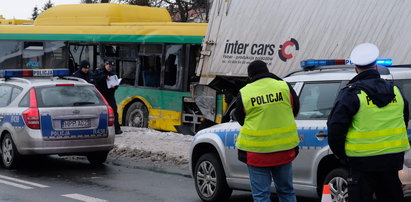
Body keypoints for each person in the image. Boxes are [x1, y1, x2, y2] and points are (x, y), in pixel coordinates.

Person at [327, 43, 410, 202]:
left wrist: (344, 156)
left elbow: (335, 129)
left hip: (362, 163)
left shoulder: (351, 94)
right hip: (392, 161)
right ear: (376, 67)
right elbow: (403, 120)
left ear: (356, 69)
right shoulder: (396, 92)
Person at [234, 60, 300, 202]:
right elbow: (296, 111)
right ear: (267, 71)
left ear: (250, 76)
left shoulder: (246, 92)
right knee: (287, 192)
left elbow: (240, 119)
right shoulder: (284, 87)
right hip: (284, 150)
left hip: (257, 153)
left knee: (261, 196)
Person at [93, 59, 123, 135]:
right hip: (101, 95)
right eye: (109, 66)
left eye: (111, 67)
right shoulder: (99, 71)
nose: (110, 68)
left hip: (110, 95)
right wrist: (104, 77)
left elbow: (116, 83)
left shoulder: (113, 73)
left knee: (114, 111)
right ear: (106, 65)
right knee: (100, 112)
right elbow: (96, 79)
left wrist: (114, 86)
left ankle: (117, 129)